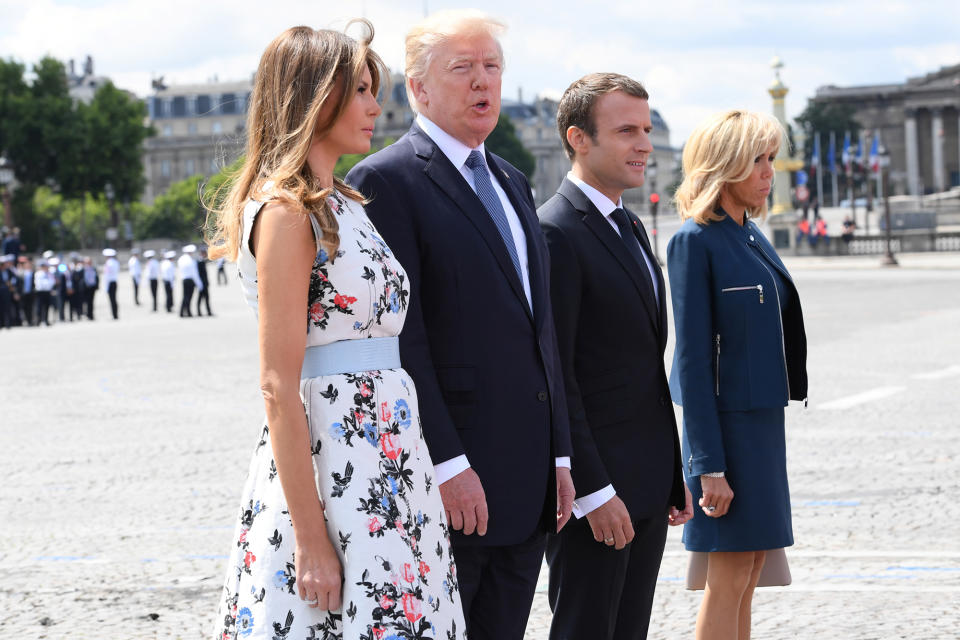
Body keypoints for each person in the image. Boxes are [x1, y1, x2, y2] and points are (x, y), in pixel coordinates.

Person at [207, 22, 465, 640]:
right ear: (314, 96)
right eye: (361, 90)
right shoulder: (288, 212)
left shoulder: (347, 202)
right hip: (333, 461)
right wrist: (310, 537)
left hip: (393, 455)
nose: (377, 106)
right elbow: (276, 384)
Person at [347, 11, 574, 639]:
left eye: (493, 67)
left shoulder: (513, 181)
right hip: (455, 478)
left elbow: (541, 329)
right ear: (418, 90)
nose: (484, 82)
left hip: (529, 478)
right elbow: (403, 337)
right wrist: (445, 463)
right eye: (463, 68)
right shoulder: (383, 181)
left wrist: (558, 451)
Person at [538, 73, 691, 640]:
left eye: (647, 130)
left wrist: (670, 474)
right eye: (627, 130)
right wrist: (594, 490)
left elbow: (644, 366)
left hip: (644, 480)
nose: (645, 144)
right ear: (579, 138)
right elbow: (559, 376)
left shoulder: (627, 223)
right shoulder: (555, 232)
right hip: (596, 491)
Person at [667, 110, 808, 640]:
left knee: (749, 572)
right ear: (724, 165)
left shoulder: (751, 236)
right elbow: (692, 362)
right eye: (757, 159)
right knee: (727, 577)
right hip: (726, 436)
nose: (769, 171)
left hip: (763, 429)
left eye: (771, 158)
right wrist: (708, 467)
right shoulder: (694, 241)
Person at [178, 245, 200, 317]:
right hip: (190, 280)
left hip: (184, 279)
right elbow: (194, 273)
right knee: (189, 297)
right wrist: (199, 283)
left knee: (185, 296)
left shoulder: (181, 259)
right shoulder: (191, 260)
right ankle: (188, 312)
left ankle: (181, 312)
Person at [34, 259, 54, 326]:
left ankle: (46, 320)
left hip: (47, 291)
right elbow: (39, 284)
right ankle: (38, 320)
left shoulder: (49, 273)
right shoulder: (38, 273)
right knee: (39, 307)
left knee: (47, 307)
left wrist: (48, 287)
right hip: (40, 292)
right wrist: (46, 285)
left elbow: (52, 282)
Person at [103, 248, 120, 319]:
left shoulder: (108, 263)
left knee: (112, 299)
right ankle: (115, 314)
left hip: (110, 283)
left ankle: (114, 314)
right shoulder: (116, 262)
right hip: (115, 281)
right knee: (114, 299)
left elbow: (107, 275)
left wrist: (106, 287)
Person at [195, 246, 212, 316]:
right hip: (201, 283)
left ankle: (208, 311)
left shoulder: (202, 261)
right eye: (204, 253)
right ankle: (199, 312)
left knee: (206, 298)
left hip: (205, 283)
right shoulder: (199, 262)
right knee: (200, 298)